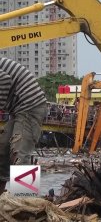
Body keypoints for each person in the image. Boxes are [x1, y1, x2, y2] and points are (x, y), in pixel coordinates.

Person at [0, 58, 47, 194]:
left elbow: (4, 79)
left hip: (31, 106)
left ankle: (25, 200)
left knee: (20, 153)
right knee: (2, 150)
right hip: (18, 110)